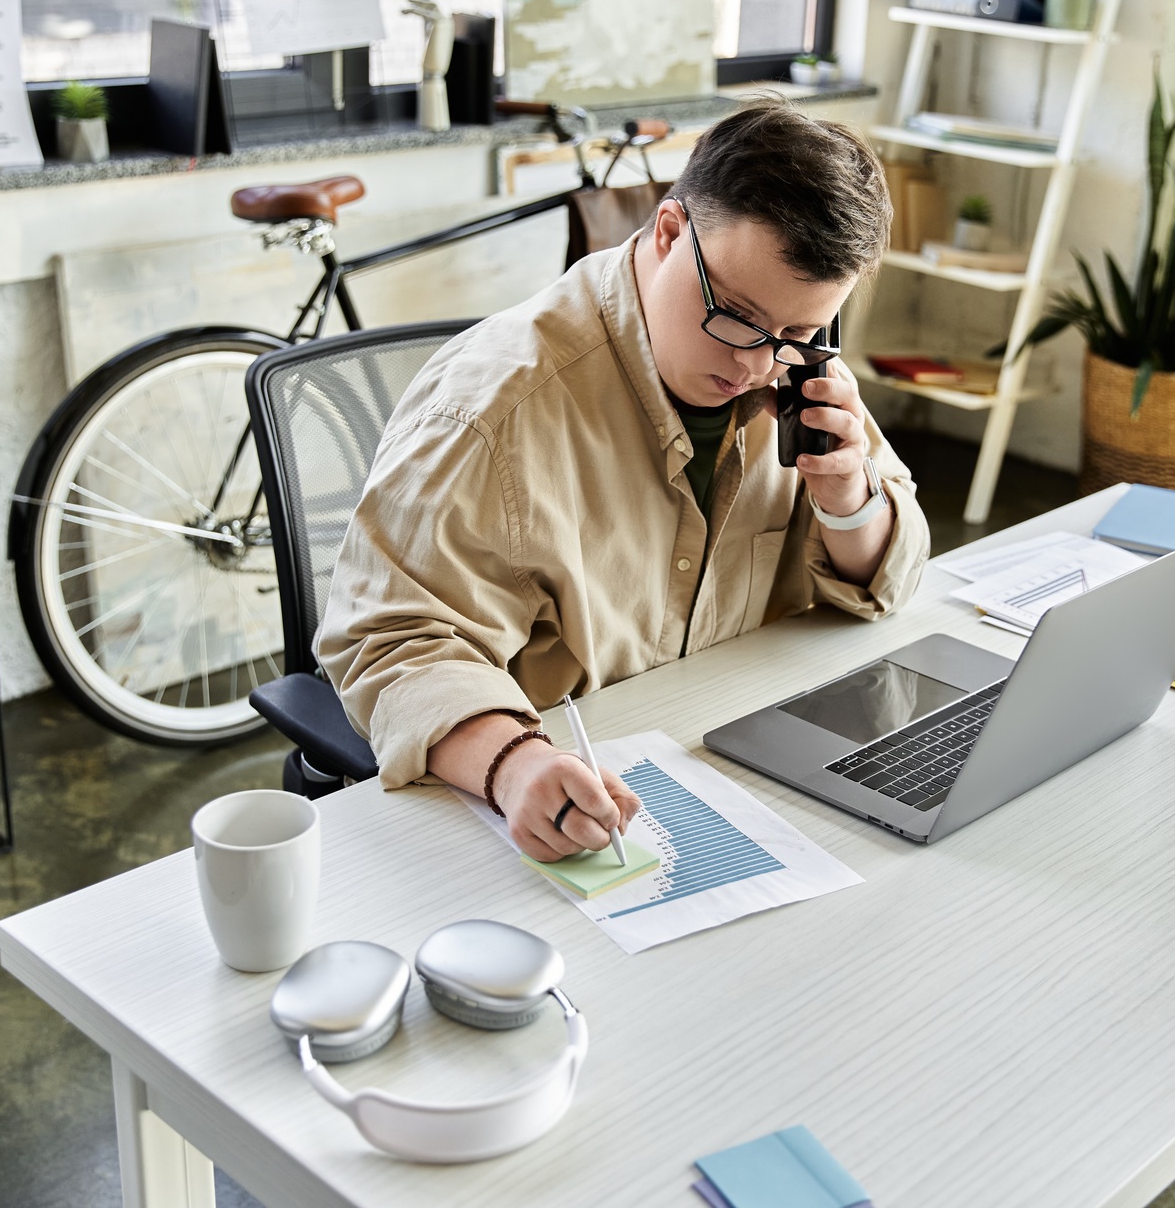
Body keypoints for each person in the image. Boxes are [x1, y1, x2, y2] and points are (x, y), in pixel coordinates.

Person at [318, 99, 930, 862]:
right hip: (562, 815)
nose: (753, 365)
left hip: (743, 774)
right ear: (668, 233)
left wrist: (848, 501)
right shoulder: (493, 411)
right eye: (735, 316)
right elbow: (390, 640)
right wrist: (514, 764)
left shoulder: (793, 365)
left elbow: (895, 573)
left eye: (799, 332)